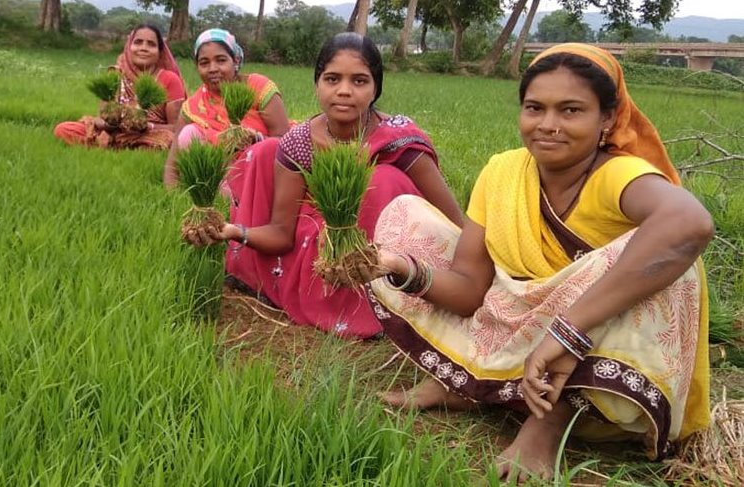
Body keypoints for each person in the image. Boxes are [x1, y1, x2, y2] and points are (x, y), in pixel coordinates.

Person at [364, 44, 713, 481]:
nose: (548, 125)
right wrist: (400, 267)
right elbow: (471, 288)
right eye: (535, 108)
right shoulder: (504, 171)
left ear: (607, 118)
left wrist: (566, 334)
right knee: (406, 218)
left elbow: (690, 223)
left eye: (571, 110)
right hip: (512, 323)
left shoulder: (618, 175)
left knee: (668, 263)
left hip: (582, 347)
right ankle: (466, 381)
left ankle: (549, 422)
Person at [183, 33, 463, 339]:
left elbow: (454, 222)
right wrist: (234, 232)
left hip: (394, 256)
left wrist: (467, 276)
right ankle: (333, 294)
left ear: (375, 88)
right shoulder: (300, 142)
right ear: (317, 84)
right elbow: (281, 231)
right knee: (264, 152)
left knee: (382, 179)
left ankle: (382, 302)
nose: (344, 91)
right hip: (321, 248)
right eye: (332, 79)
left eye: (359, 81)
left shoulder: (398, 141)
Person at [163, 28, 290, 187]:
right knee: (188, 133)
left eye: (221, 60)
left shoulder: (259, 87)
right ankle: (212, 192)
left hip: (259, 169)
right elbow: (173, 162)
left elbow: (284, 142)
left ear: (235, 61)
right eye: (204, 63)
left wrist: (254, 139)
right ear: (197, 66)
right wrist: (171, 195)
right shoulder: (193, 105)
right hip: (217, 175)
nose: (213, 68)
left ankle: (242, 196)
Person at [54, 24, 186, 150]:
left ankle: (111, 147)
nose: (143, 48)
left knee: (168, 141)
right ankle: (115, 146)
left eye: (151, 44)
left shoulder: (170, 79)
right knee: (64, 129)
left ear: (159, 52)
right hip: (113, 132)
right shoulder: (116, 74)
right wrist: (109, 125)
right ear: (129, 47)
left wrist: (146, 126)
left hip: (148, 135)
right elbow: (100, 117)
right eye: (138, 42)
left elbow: (177, 127)